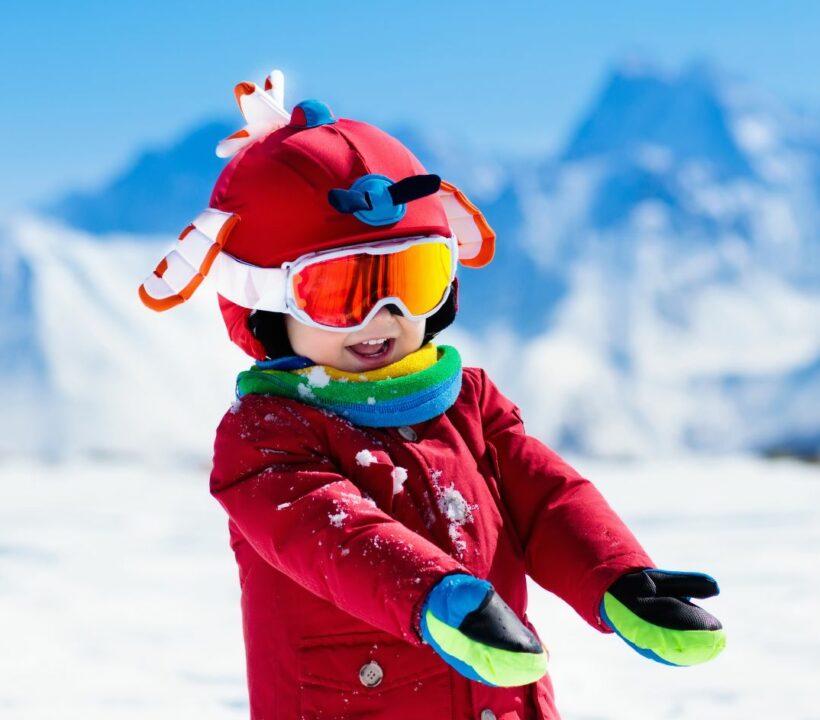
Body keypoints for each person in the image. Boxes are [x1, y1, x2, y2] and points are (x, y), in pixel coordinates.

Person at [139, 70, 725, 720]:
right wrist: (438, 597)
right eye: (340, 293)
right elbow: (333, 534)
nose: (383, 316)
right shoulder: (266, 439)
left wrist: (616, 578)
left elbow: (549, 501)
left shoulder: (469, 406)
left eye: (411, 280)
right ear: (267, 307)